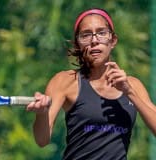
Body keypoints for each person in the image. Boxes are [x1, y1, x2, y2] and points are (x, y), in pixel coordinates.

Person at [26, 8, 156, 160]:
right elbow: (42, 140)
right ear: (77, 44)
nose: (94, 40)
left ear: (112, 40)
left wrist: (129, 92)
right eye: (86, 35)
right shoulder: (64, 81)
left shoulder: (133, 85)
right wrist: (41, 113)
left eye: (101, 33)